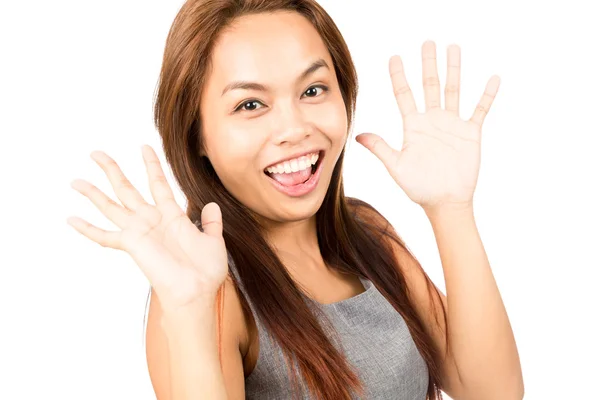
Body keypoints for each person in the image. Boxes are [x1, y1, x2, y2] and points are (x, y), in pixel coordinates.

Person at [67, 0, 524, 399]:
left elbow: (490, 391)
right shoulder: (205, 287)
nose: (295, 129)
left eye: (312, 91)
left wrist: (452, 210)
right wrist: (189, 315)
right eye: (250, 105)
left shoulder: (366, 232)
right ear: (197, 134)